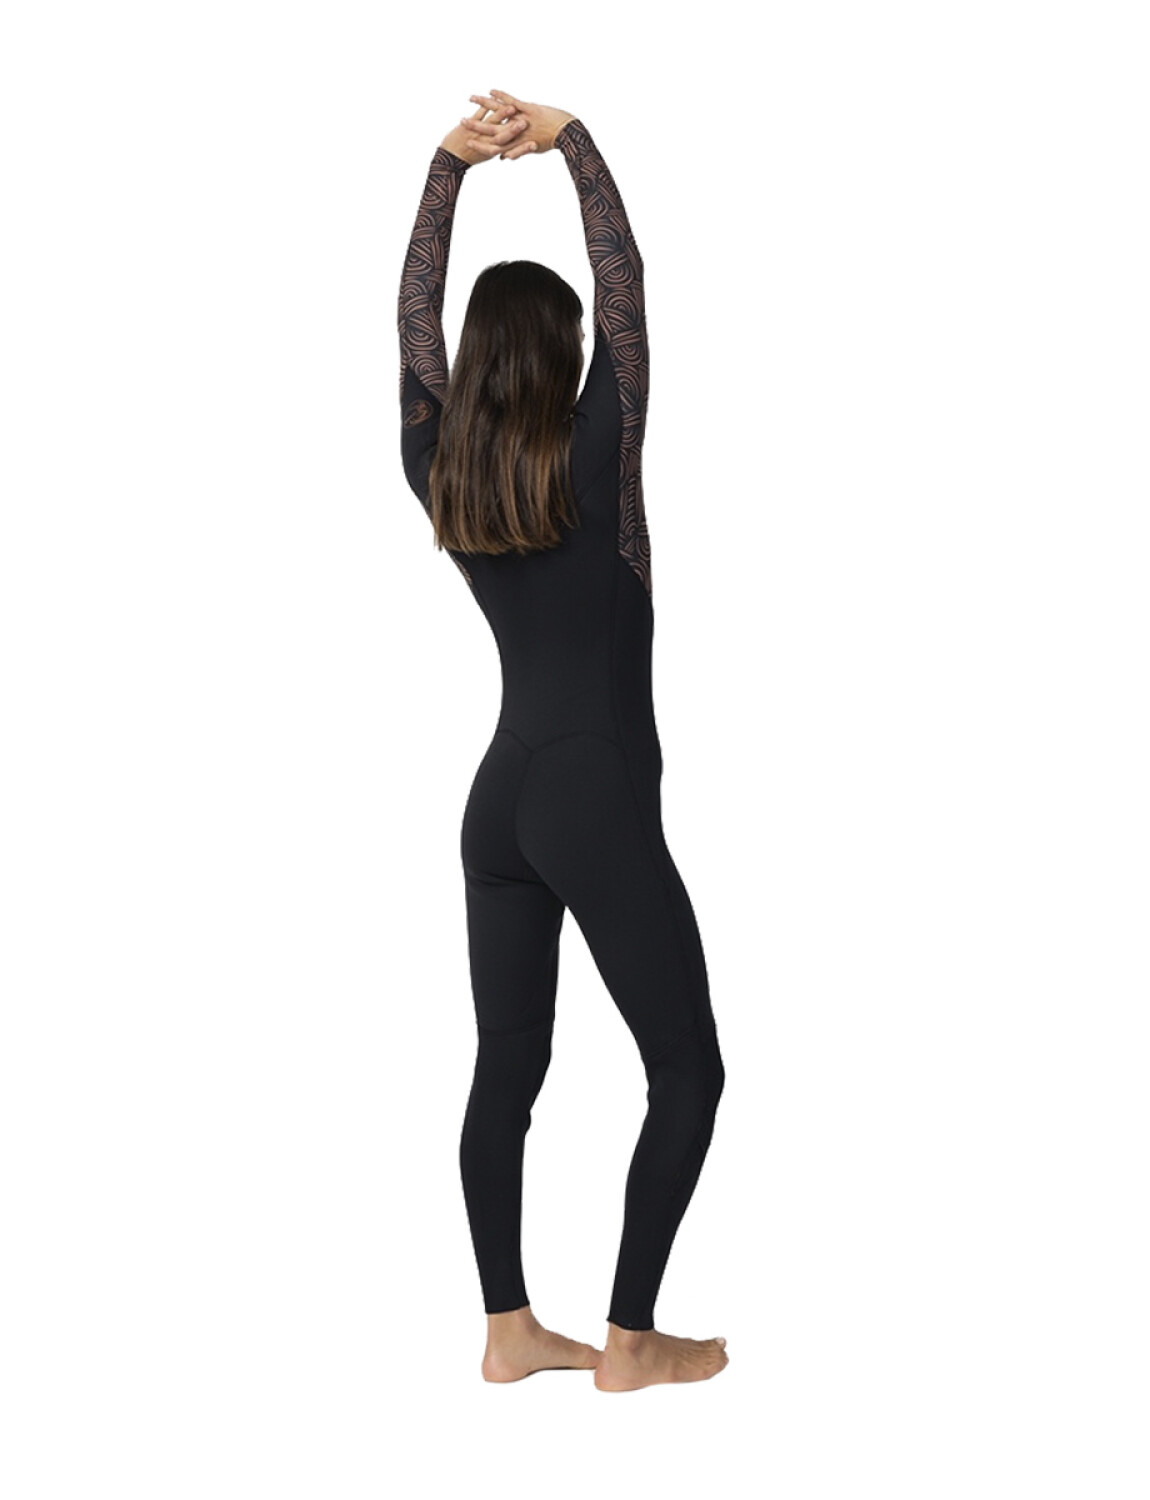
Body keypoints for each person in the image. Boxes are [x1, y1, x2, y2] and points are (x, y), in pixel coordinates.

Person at [397, 89, 728, 1392]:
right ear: (570, 356)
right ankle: (630, 1341)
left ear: (476, 365)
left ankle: (508, 1329)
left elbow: (411, 322)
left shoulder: (439, 466)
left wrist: (447, 168)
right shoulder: (600, 457)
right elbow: (625, 283)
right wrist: (570, 140)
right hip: (594, 793)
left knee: (506, 1071)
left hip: (503, 804)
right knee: (688, 1072)